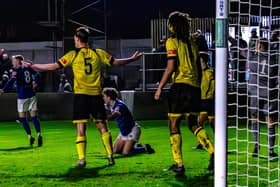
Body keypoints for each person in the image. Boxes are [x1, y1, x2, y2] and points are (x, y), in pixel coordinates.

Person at [27, 27, 142, 168]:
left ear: (77, 38)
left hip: (81, 96)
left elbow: (53, 67)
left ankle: (82, 159)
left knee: (81, 128)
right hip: (96, 96)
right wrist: (132, 58)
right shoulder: (98, 53)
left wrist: (34, 66)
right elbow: (116, 62)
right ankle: (110, 156)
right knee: (103, 127)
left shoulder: (72, 55)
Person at [154, 11, 214, 173]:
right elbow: (199, 71)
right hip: (194, 88)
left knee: (173, 124)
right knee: (193, 123)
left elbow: (171, 67)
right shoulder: (193, 44)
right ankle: (212, 151)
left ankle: (179, 164)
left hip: (180, 86)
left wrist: (160, 87)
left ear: (172, 26)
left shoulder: (171, 42)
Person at [0, 55, 42, 147]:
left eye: (14, 60)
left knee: (22, 118)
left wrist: (3, 90)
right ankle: (39, 134)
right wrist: (35, 82)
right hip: (32, 94)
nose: (12, 62)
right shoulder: (27, 68)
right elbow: (38, 74)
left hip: (22, 96)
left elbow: (11, 81)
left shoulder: (16, 70)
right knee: (34, 116)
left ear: (19, 61)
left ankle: (30, 136)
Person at [248, 38, 278, 159]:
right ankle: (271, 150)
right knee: (270, 120)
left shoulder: (252, 58)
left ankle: (256, 145)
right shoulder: (273, 60)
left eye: (256, 45)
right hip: (268, 93)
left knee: (254, 118)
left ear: (260, 46)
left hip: (255, 92)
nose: (255, 47)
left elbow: (240, 47)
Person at [103, 87, 155, 155]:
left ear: (109, 97)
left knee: (126, 152)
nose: (103, 98)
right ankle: (135, 146)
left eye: (104, 96)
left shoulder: (119, 105)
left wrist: (106, 117)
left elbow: (116, 113)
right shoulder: (109, 105)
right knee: (115, 151)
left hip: (132, 130)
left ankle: (144, 148)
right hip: (123, 131)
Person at [194, 52, 215, 150]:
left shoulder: (210, 72)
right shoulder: (198, 73)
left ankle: (219, 142)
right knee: (199, 122)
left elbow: (214, 86)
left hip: (210, 101)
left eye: (201, 61)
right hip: (202, 101)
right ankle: (201, 142)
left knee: (212, 123)